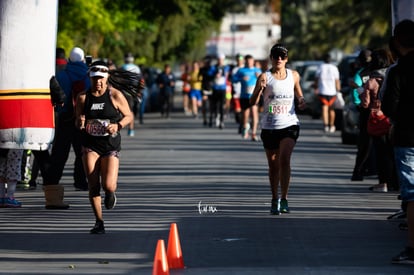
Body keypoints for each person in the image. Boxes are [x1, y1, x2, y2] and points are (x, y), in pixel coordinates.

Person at [75, 60, 133, 234]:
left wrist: (118, 126)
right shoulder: (83, 97)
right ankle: (99, 222)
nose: (98, 82)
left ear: (107, 77)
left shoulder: (115, 95)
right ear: (89, 78)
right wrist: (80, 122)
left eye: (101, 78)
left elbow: (129, 115)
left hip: (109, 145)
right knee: (93, 185)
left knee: (108, 185)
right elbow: (77, 120)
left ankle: (110, 193)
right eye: (94, 79)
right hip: (90, 144)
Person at [249, 44, 306, 215]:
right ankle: (274, 198)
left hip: (290, 124)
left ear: (287, 59)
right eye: (276, 56)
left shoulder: (294, 75)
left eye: (282, 56)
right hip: (269, 126)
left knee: (284, 160)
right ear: (271, 58)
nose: (279, 59)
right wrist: (260, 88)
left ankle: (284, 198)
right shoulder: (264, 76)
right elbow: (252, 102)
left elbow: (298, 93)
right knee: (273, 166)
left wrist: (302, 100)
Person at [381, 19, 414, 264]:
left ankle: (412, 248)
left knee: (412, 195)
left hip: (407, 136)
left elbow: (389, 106)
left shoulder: (399, 69)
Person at [50, 47, 90, 193]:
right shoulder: (88, 76)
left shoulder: (62, 75)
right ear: (83, 59)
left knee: (60, 152)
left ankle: (52, 181)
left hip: (65, 118)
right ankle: (80, 181)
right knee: (82, 152)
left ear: (69, 60)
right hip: (83, 119)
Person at [233, 54, 262, 140]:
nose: (249, 62)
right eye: (248, 61)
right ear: (245, 61)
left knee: (254, 113)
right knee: (245, 115)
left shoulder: (257, 70)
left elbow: (264, 81)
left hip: (254, 95)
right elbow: (233, 79)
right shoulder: (241, 70)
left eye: (251, 61)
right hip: (244, 96)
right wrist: (241, 79)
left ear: (253, 61)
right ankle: (245, 129)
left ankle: (253, 133)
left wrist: (259, 77)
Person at [314, 53, 341, 133]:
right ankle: (332, 125)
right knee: (332, 110)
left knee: (324, 108)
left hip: (323, 91)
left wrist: (315, 87)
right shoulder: (334, 68)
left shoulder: (320, 67)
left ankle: (326, 126)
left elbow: (316, 78)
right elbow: (337, 80)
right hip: (332, 92)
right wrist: (338, 90)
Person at [120, 53, 141, 137]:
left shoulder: (122, 67)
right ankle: (131, 129)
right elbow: (141, 80)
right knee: (131, 110)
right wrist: (139, 91)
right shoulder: (136, 68)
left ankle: (126, 127)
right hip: (133, 92)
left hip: (125, 92)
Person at [209, 53, 230, 129]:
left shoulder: (226, 67)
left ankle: (221, 121)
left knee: (222, 105)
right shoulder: (213, 67)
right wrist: (215, 74)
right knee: (215, 105)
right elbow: (209, 74)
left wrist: (222, 72)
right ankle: (216, 117)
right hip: (215, 88)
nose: (220, 61)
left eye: (221, 60)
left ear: (223, 60)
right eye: (219, 59)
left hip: (222, 89)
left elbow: (226, 73)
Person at [231, 54, 245, 133]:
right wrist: (241, 78)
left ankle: (242, 125)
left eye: (241, 60)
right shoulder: (235, 69)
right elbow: (233, 79)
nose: (239, 61)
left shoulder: (245, 68)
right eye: (238, 60)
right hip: (237, 91)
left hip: (245, 92)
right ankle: (241, 123)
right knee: (237, 110)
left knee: (244, 110)